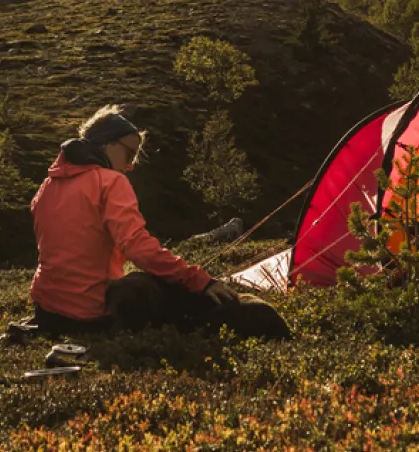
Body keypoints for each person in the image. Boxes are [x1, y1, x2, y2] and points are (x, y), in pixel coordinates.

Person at [28, 105, 289, 339]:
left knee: (134, 284)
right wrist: (197, 279)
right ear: (106, 144)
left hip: (48, 312)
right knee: (153, 290)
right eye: (130, 155)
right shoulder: (109, 182)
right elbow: (137, 247)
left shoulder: (47, 187)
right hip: (92, 314)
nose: (130, 166)